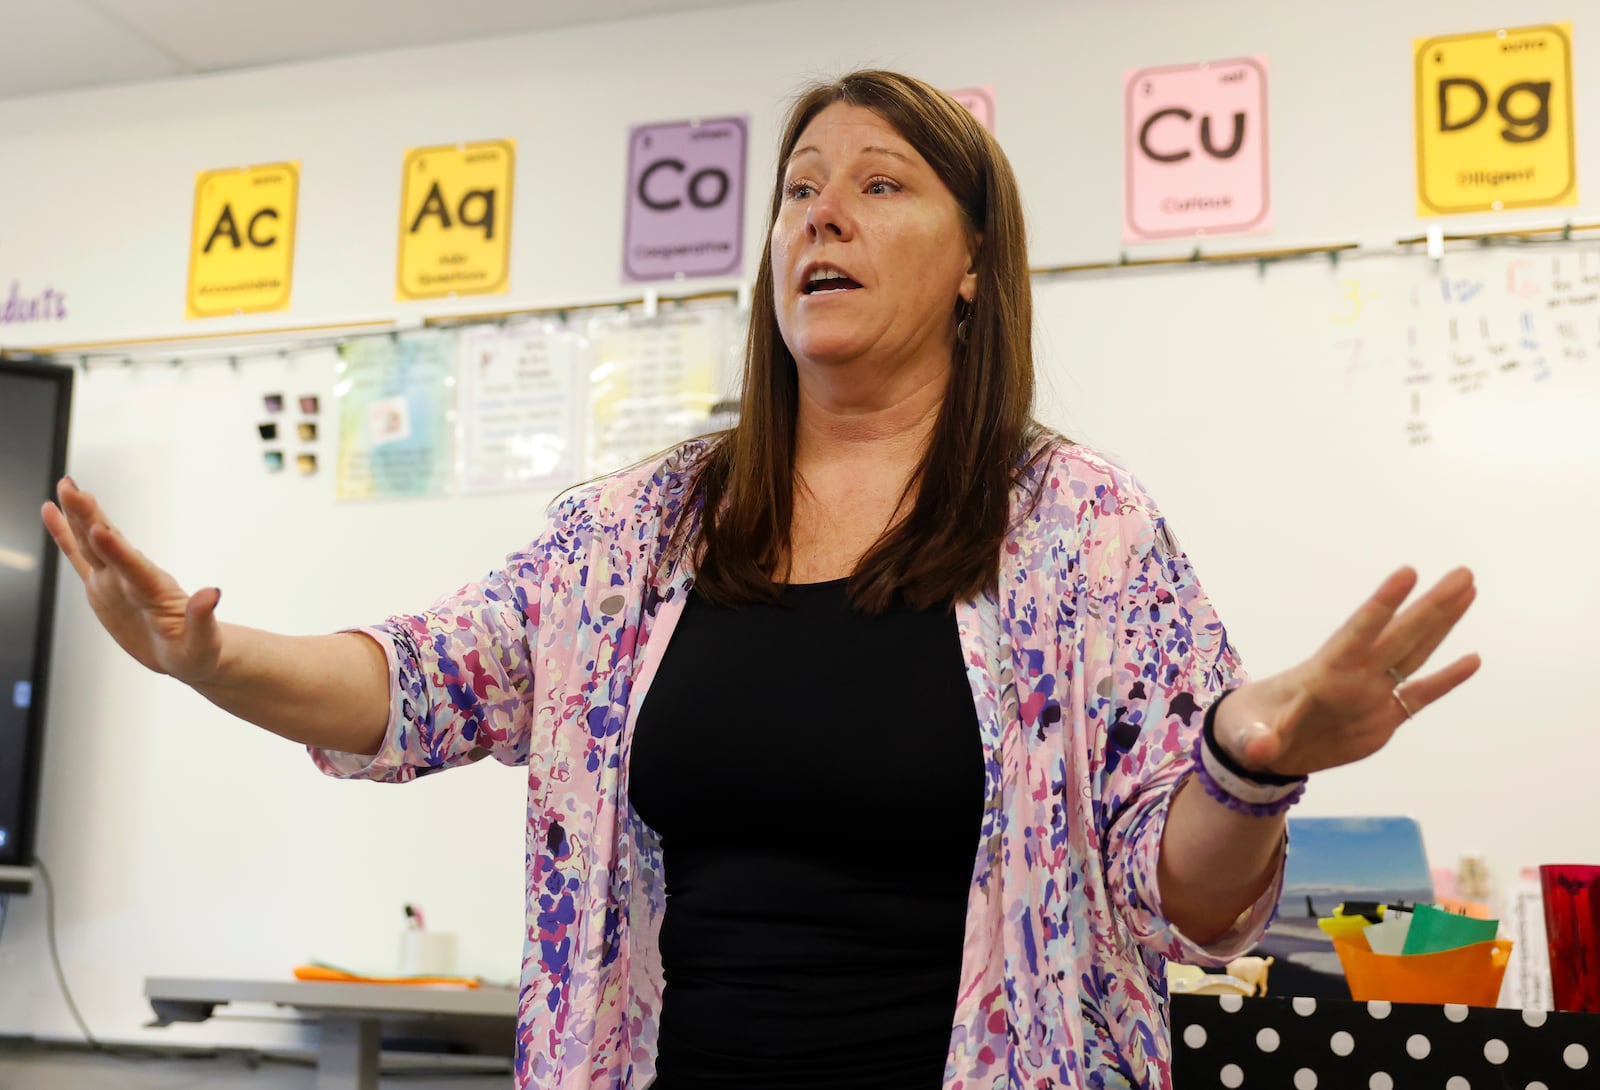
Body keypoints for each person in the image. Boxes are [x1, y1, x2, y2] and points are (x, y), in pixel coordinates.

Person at [41, 70, 1479, 1090]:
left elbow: (1183, 892)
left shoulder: (1084, 533)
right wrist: (208, 656)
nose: (820, 216)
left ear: (978, 261)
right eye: (798, 191)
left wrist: (1249, 761)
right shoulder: (637, 533)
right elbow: (421, 682)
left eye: (878, 184)